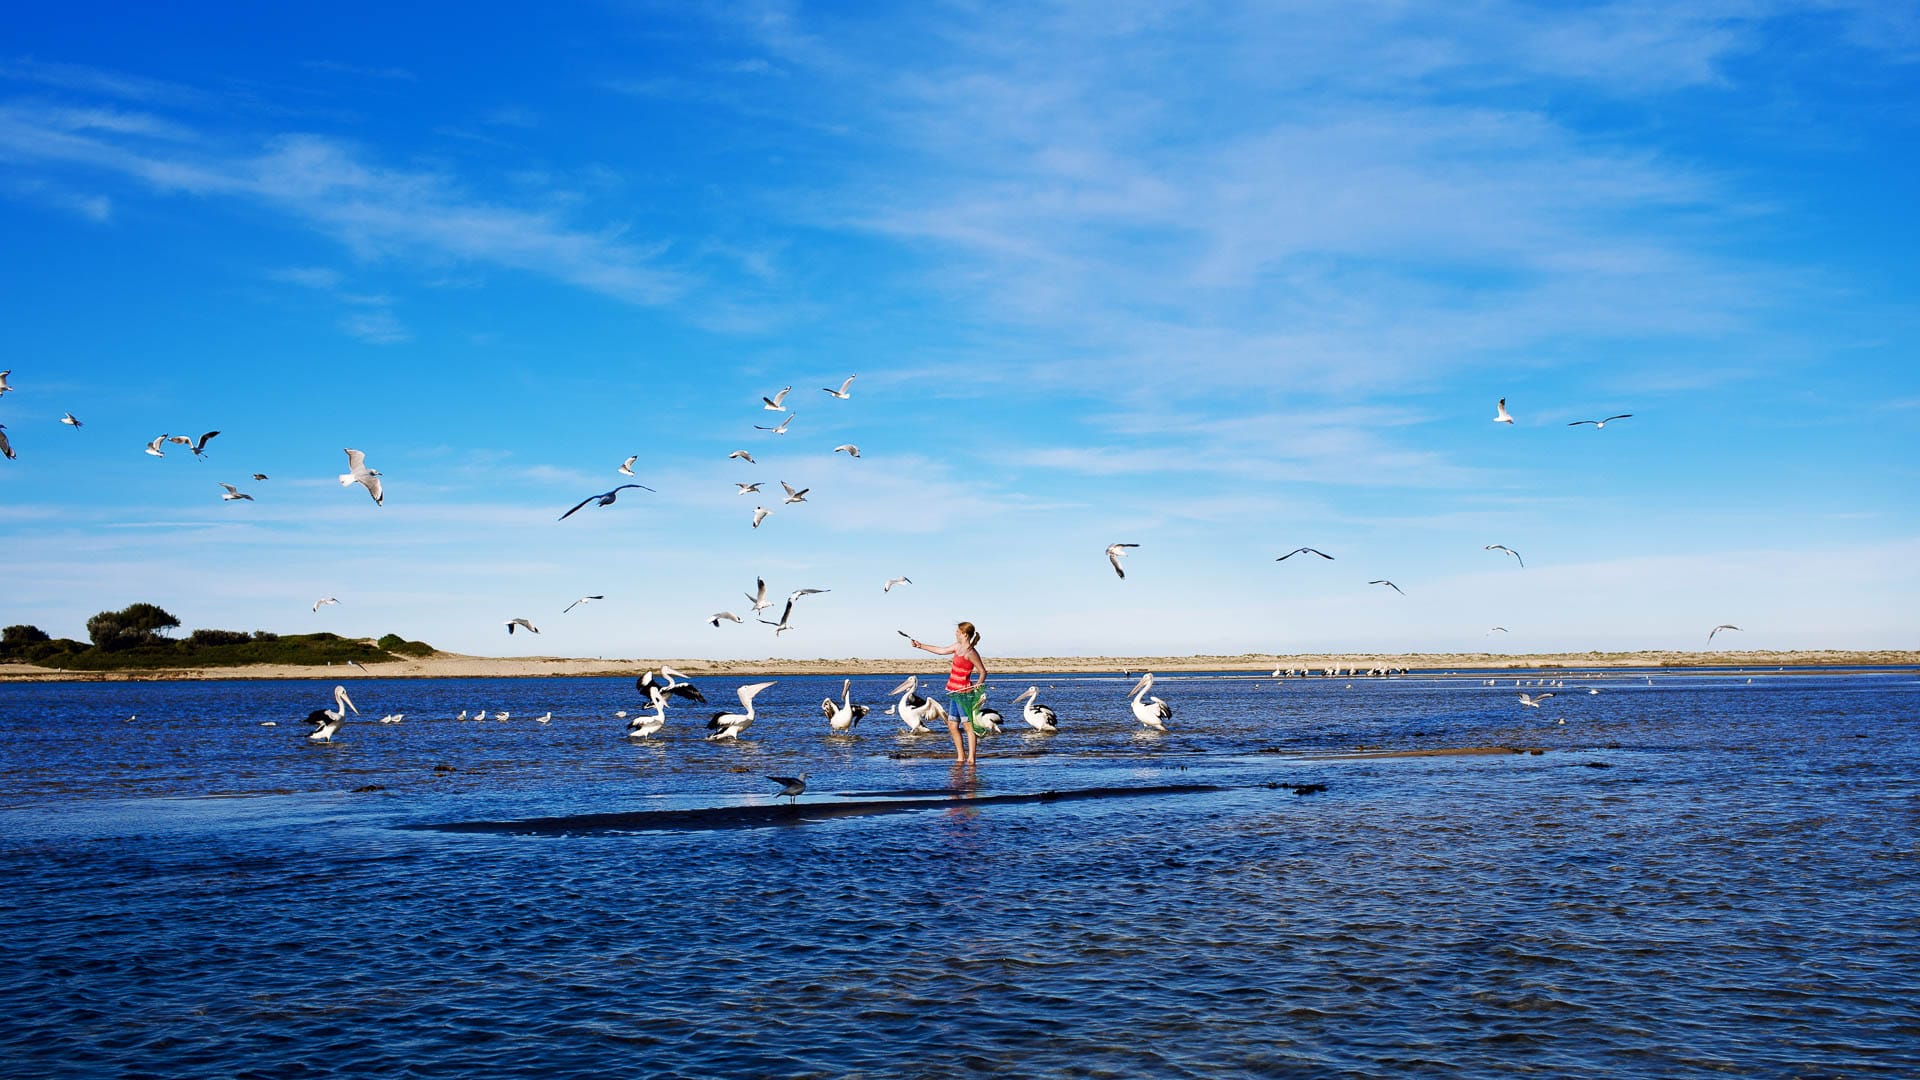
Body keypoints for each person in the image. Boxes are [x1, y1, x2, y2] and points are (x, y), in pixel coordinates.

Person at [909, 621, 987, 762]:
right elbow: (941, 650)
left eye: (957, 632)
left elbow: (982, 671)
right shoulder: (957, 647)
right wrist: (920, 646)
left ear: (964, 634)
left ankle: (971, 758)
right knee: (952, 725)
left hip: (964, 694)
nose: (955, 634)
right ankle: (960, 756)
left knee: (968, 726)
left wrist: (977, 686)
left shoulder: (971, 652)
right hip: (953, 692)